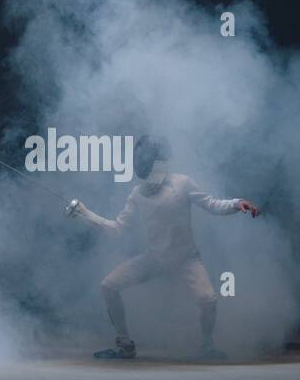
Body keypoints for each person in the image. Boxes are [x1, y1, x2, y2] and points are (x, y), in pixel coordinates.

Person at [68, 135, 260, 360]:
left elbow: (213, 205)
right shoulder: (137, 194)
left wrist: (237, 204)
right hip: (155, 259)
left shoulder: (183, 183)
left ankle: (207, 346)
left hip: (186, 259)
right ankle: (125, 345)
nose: (149, 177)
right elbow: (118, 229)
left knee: (208, 299)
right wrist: (85, 214)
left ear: (161, 163)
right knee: (109, 286)